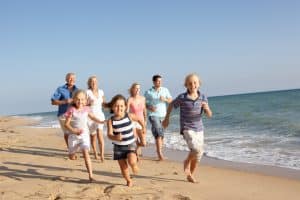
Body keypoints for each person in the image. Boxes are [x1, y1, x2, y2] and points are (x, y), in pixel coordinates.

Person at [162, 73, 212, 183]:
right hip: (187, 127)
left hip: (199, 129)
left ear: (199, 84)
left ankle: (190, 175)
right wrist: (167, 119)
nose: (192, 85)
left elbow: (209, 115)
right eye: (190, 83)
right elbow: (171, 104)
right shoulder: (182, 98)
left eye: (195, 82)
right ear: (186, 85)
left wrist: (207, 108)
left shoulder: (203, 97)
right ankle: (186, 162)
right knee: (195, 149)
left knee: (198, 155)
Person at [64, 90, 105, 182]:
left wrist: (100, 121)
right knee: (71, 156)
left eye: (82, 99)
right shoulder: (71, 110)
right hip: (73, 137)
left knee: (85, 152)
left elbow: (92, 117)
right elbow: (66, 124)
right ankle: (72, 155)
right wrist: (74, 131)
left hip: (84, 136)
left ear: (86, 100)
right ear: (74, 100)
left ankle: (90, 175)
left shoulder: (86, 109)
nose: (80, 101)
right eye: (78, 99)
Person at [106, 94, 145, 187]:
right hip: (118, 147)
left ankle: (134, 165)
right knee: (123, 167)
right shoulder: (111, 121)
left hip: (130, 143)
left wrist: (143, 127)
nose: (119, 108)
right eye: (116, 106)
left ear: (125, 107)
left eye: (121, 106)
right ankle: (128, 180)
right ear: (112, 107)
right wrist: (115, 137)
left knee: (131, 160)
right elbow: (109, 134)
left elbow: (139, 119)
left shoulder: (129, 116)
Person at [144, 74, 172, 161]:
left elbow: (171, 100)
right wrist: (149, 107)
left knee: (161, 135)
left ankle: (159, 152)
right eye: (158, 81)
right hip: (153, 115)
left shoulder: (165, 90)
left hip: (163, 115)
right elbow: (143, 103)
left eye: (161, 81)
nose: (160, 82)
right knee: (159, 134)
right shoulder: (148, 92)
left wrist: (165, 100)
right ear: (154, 82)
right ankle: (160, 154)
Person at [51, 73, 78, 149]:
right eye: (69, 78)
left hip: (75, 115)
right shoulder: (60, 89)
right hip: (63, 115)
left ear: (75, 80)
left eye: (73, 78)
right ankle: (70, 149)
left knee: (75, 132)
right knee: (67, 133)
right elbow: (53, 102)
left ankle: (74, 148)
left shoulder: (78, 90)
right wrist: (64, 101)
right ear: (66, 79)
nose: (71, 79)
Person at [86, 76, 106, 162]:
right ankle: (95, 153)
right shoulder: (87, 92)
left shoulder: (101, 92)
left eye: (95, 81)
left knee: (100, 135)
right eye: (92, 81)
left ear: (97, 82)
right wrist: (88, 103)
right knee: (93, 137)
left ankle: (102, 155)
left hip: (100, 116)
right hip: (90, 117)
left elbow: (104, 103)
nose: (94, 83)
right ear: (89, 83)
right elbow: (83, 105)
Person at [127, 83, 147, 159]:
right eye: (136, 88)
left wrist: (145, 120)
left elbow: (144, 110)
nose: (138, 90)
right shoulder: (130, 99)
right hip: (133, 122)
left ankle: (134, 150)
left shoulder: (143, 98)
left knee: (144, 143)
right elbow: (127, 111)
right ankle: (134, 153)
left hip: (141, 122)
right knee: (134, 139)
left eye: (139, 88)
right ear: (133, 89)